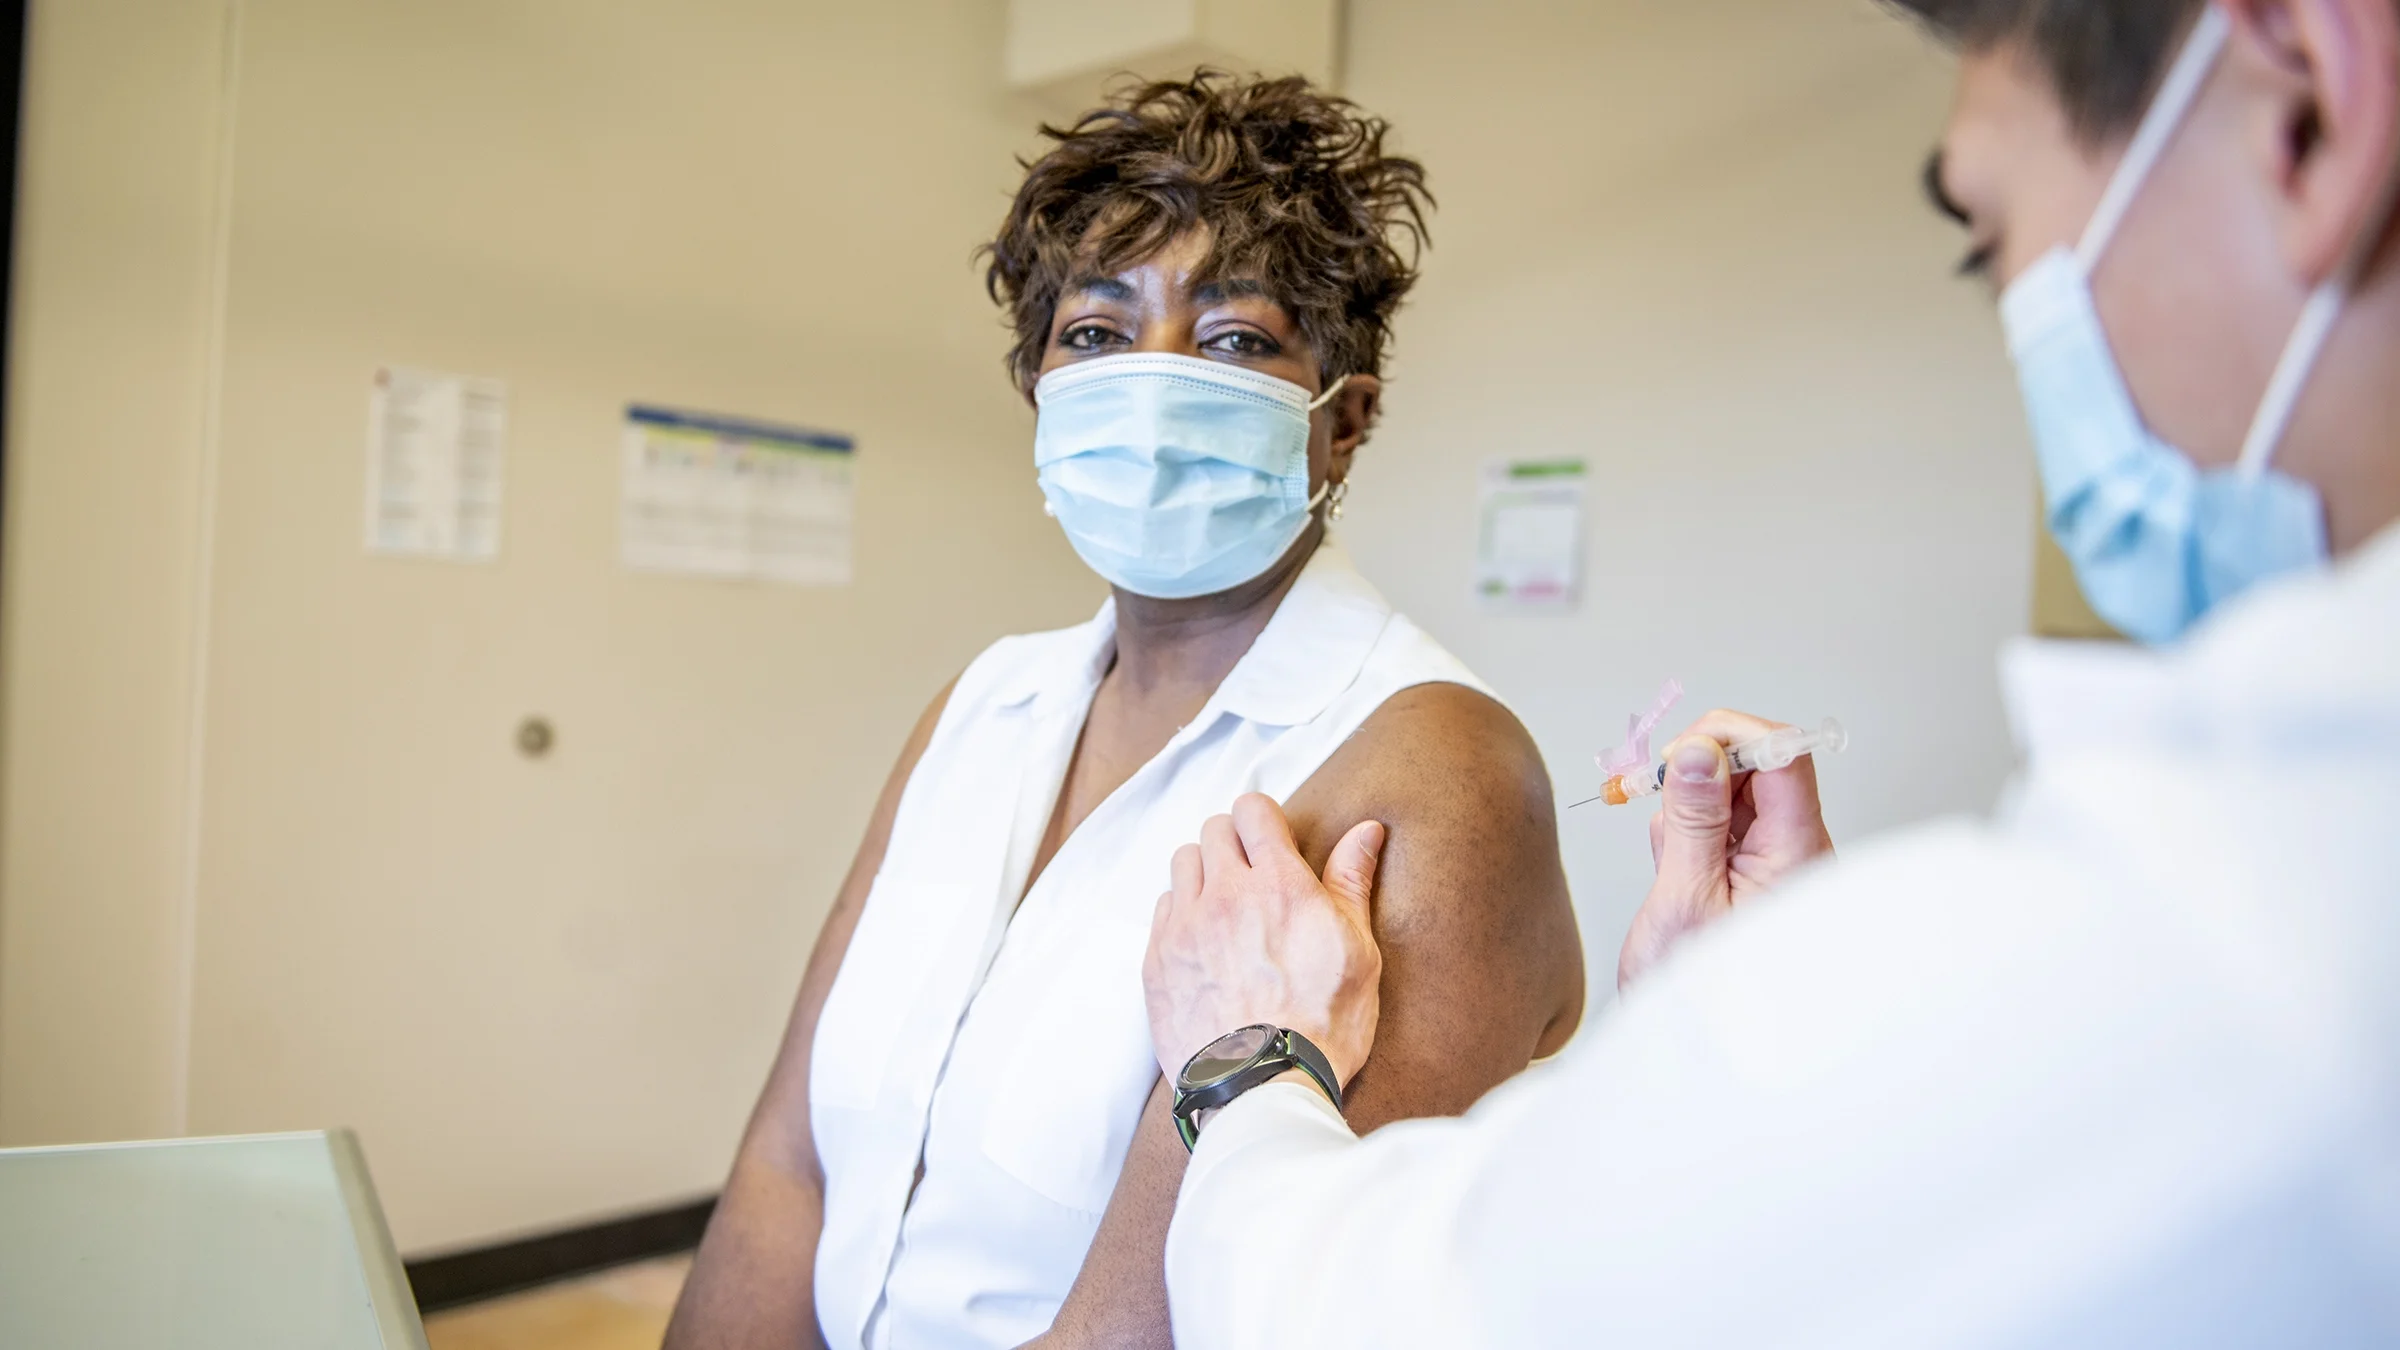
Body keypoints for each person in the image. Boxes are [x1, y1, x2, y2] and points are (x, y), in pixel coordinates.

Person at [1141, 1, 2400, 1345]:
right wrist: (1721, 1045)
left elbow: (1419, 1312)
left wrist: (1254, 1069)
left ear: (2309, 111)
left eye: (1994, 241)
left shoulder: (2238, 931)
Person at [663, 73, 1586, 1350]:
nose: (1152, 386)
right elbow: (788, 1169)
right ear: (1039, 395)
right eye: (1095, 336)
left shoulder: (1432, 772)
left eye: (1233, 340)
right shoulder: (985, 706)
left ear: (1344, 422)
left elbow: (1164, 1333)